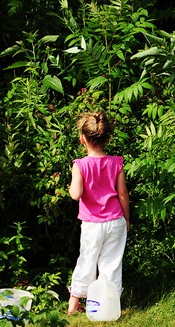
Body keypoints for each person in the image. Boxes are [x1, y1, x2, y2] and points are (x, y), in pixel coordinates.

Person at [68, 111, 130, 315]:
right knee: (111, 263)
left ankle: (75, 302)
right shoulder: (116, 163)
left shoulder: (80, 165)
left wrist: (72, 185)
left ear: (82, 139)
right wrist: (127, 220)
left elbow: (76, 194)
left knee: (87, 259)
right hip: (115, 221)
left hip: (93, 224)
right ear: (108, 138)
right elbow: (122, 194)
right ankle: (109, 305)